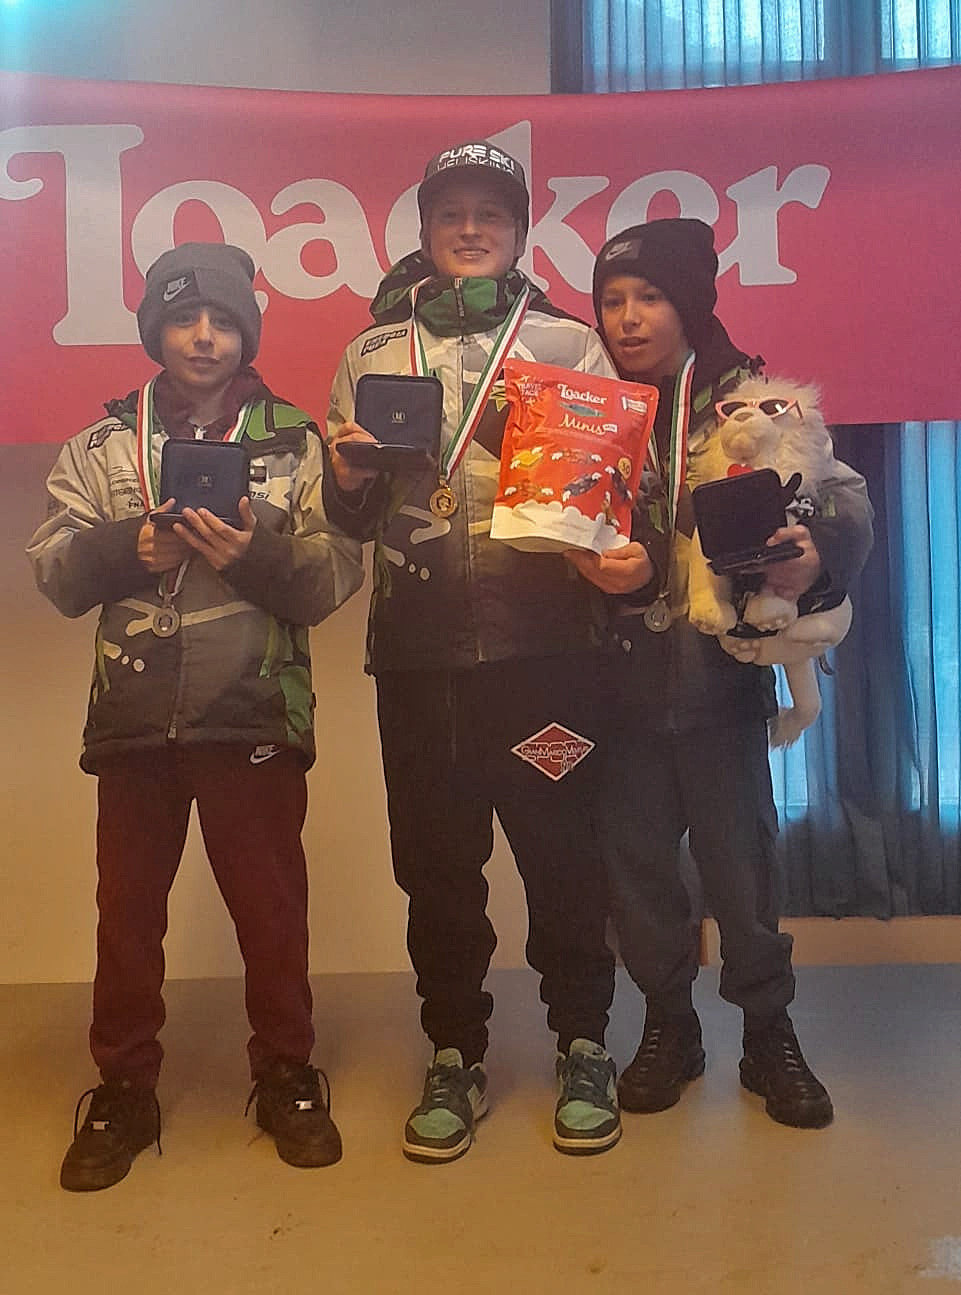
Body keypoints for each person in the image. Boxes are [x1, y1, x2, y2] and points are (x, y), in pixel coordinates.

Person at [27, 242, 364, 1190]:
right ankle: (124, 1087)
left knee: (271, 909)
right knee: (126, 916)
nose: (204, 336)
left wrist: (249, 554)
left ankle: (287, 1074)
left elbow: (333, 575)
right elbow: (53, 570)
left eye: (221, 320)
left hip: (253, 713)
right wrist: (127, 547)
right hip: (133, 720)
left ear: (247, 332)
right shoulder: (102, 446)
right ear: (155, 332)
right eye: (183, 318)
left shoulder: (295, 443)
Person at [323, 141, 636, 1162]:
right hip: (418, 664)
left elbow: (606, 498)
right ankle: (453, 1049)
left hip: (546, 656)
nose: (469, 229)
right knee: (436, 867)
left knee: (562, 851)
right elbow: (344, 515)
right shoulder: (372, 349)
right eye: (450, 213)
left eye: (489, 214)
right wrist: (346, 481)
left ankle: (582, 1041)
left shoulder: (566, 343)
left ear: (517, 232)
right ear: (423, 231)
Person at [573, 219, 873, 1129]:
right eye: (612, 301)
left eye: (649, 298)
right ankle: (668, 1025)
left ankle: (767, 1032)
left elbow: (842, 498)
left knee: (742, 875)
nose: (628, 318)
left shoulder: (754, 402)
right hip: (615, 689)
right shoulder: (583, 408)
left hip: (719, 684)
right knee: (637, 877)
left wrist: (814, 553)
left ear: (691, 304)